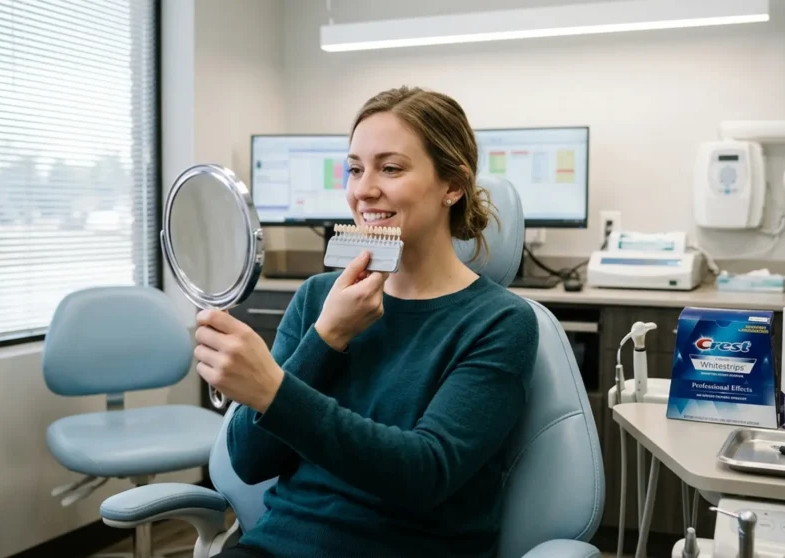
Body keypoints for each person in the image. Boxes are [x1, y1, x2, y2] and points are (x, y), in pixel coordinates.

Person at [193, 86, 539, 558]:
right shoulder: (318, 297)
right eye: (355, 169)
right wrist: (326, 337)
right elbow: (251, 461)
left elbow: (424, 474)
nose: (363, 189)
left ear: (453, 185)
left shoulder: (500, 322)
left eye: (390, 168)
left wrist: (275, 389)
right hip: (274, 547)